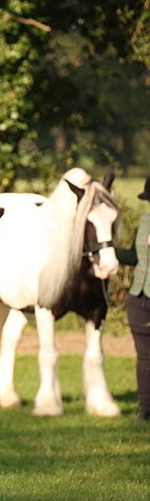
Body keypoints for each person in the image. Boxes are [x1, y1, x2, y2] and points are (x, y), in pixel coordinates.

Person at [117, 178, 150, 421]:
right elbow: (134, 257)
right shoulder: (144, 223)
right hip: (139, 298)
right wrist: (108, 249)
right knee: (145, 357)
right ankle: (145, 410)